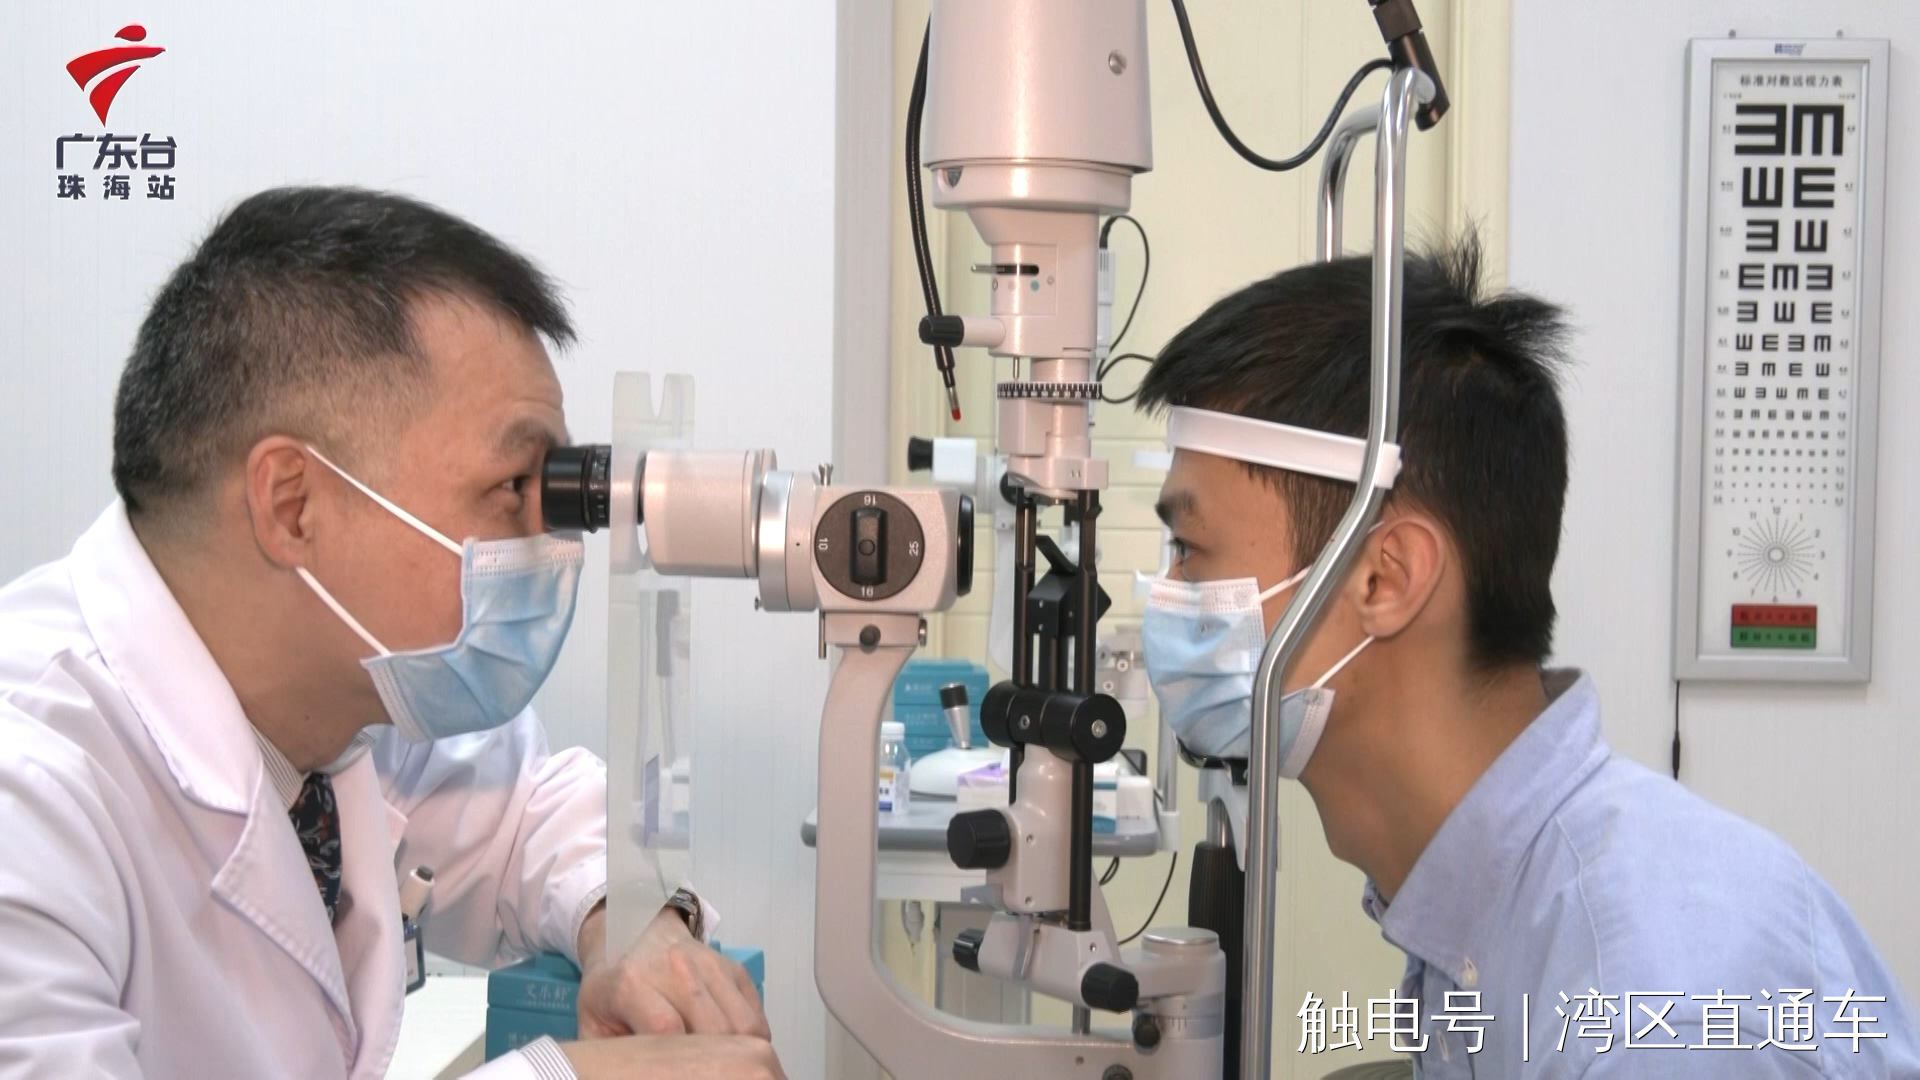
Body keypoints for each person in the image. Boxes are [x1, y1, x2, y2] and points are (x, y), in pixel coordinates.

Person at [0, 187, 783, 1079]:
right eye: (512, 487)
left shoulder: (343, 699)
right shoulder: (30, 792)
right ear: (292, 506)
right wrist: (559, 1077)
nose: (549, 539)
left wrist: (629, 924)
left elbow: (531, 809)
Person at [1133, 237, 1917, 1075]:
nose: (1167, 595)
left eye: (1190, 550)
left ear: (1385, 578)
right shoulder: (1485, 917)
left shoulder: (1649, 1010)